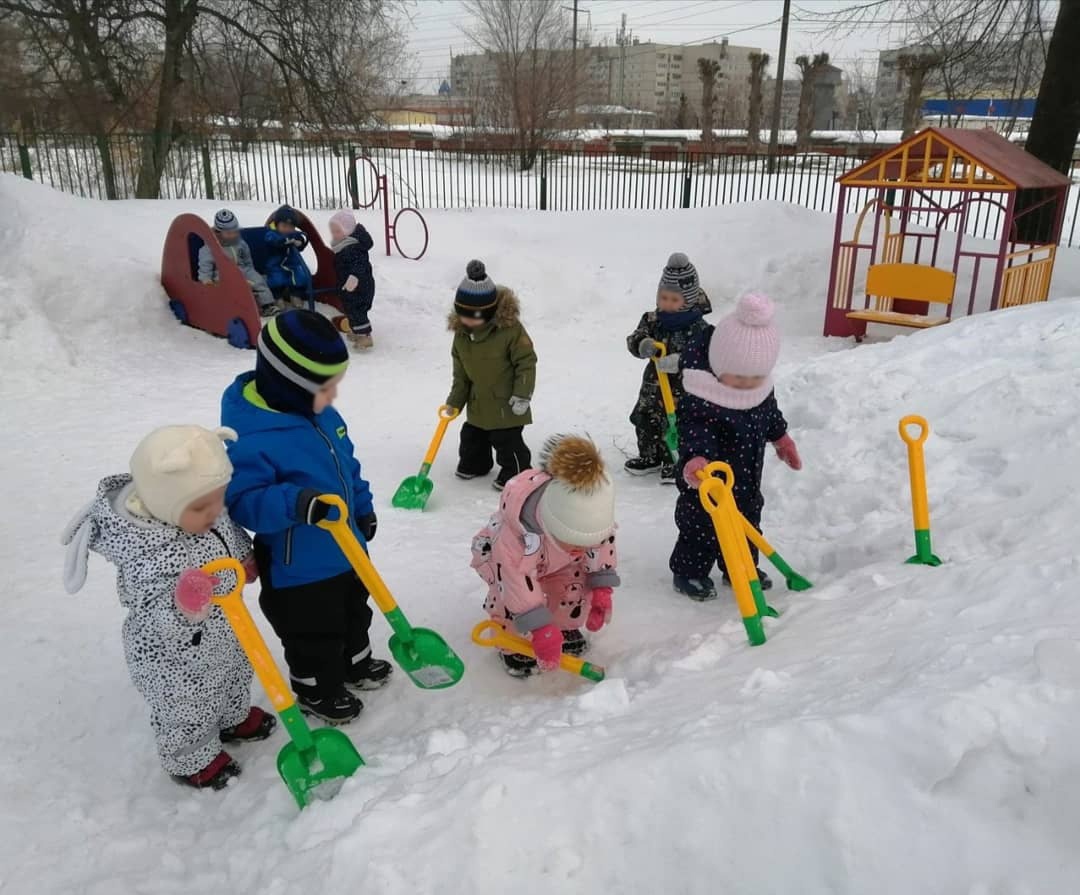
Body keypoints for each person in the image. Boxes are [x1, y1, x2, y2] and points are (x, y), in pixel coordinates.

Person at [61, 425, 275, 790]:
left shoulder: (200, 504)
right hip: (174, 656)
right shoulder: (147, 550)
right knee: (189, 705)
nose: (215, 511)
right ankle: (191, 757)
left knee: (234, 673)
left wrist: (242, 555)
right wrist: (183, 604)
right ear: (165, 505)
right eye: (203, 507)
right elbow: (156, 616)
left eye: (219, 500)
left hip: (224, 625)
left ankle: (232, 717)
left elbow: (225, 529)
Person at [220, 309, 390, 725]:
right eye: (325, 389)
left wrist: (362, 508)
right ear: (289, 386)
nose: (332, 398)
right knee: (313, 633)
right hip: (298, 569)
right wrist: (296, 502)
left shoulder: (323, 418)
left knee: (354, 612)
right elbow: (243, 500)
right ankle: (318, 689)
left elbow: (347, 467)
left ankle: (355, 662)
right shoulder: (252, 437)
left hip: (346, 549)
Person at [669, 293, 802, 601]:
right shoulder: (701, 393)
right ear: (718, 364)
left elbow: (768, 411)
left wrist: (781, 438)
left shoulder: (758, 388)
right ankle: (690, 572)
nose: (746, 383)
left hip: (745, 475)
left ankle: (740, 567)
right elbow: (693, 429)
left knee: (748, 521)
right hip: (705, 479)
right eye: (739, 375)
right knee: (700, 527)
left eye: (756, 376)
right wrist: (696, 458)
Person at [470, 434, 618, 677]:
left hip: (557, 560)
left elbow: (602, 546)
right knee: (511, 598)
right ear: (551, 524)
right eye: (573, 542)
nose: (581, 549)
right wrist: (538, 627)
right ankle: (511, 641)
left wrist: (602, 587)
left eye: (587, 543)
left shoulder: (592, 517)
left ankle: (563, 627)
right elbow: (516, 581)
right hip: (506, 565)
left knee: (574, 585)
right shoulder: (516, 536)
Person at [447, 260, 537, 491]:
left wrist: (522, 395)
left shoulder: (509, 331)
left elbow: (526, 362)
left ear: (488, 312)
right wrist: (454, 403)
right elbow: (461, 375)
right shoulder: (461, 336)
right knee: (471, 436)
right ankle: (476, 464)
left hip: (507, 403)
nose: (468, 321)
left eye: (474, 315)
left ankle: (517, 470)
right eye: (463, 314)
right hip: (478, 403)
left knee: (506, 440)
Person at [625, 252, 712, 484]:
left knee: (676, 424)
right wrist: (642, 344)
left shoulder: (699, 328)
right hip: (653, 386)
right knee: (645, 418)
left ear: (689, 300)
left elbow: (707, 357)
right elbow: (635, 337)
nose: (668, 304)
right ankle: (649, 456)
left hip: (682, 391)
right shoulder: (653, 320)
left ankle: (673, 461)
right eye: (663, 297)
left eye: (674, 300)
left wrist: (680, 361)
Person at [197, 209, 277, 317]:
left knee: (258, 281)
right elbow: (205, 269)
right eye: (228, 233)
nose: (233, 235)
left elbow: (248, 261)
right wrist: (207, 281)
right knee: (230, 289)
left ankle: (267, 305)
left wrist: (251, 272)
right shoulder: (209, 249)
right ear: (219, 232)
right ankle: (233, 310)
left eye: (235, 232)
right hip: (222, 274)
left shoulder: (240, 244)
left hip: (243, 270)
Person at [328, 210, 376, 350]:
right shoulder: (343, 245)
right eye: (333, 231)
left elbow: (360, 264)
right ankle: (357, 331)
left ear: (347, 231)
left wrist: (354, 278)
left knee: (357, 309)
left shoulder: (353, 247)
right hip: (349, 286)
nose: (334, 235)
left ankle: (365, 336)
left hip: (360, 286)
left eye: (337, 231)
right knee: (350, 308)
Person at [264, 205, 312, 307]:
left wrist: (300, 241)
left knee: (301, 275)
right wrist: (283, 241)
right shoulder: (272, 233)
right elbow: (271, 240)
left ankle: (295, 295)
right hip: (276, 265)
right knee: (276, 279)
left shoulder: (294, 234)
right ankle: (277, 297)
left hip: (292, 264)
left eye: (290, 227)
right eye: (284, 226)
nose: (287, 229)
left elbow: (302, 236)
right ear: (277, 225)